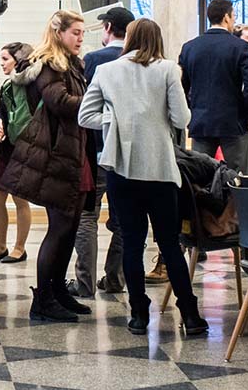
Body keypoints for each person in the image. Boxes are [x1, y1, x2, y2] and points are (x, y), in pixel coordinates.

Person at [79, 18, 207, 336]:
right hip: (161, 170)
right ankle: (189, 314)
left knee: (133, 244)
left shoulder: (107, 70)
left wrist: (116, 119)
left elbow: (85, 115)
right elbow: (181, 118)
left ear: (129, 38)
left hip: (122, 170)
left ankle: (138, 313)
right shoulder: (167, 70)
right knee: (170, 244)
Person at [0, 10, 90, 323]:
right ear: (59, 32)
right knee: (59, 228)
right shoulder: (51, 63)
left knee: (70, 227)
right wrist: (97, 99)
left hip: (73, 151)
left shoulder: (73, 63)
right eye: (75, 32)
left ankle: (59, 292)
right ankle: (43, 300)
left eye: (82, 33)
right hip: (56, 153)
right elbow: (59, 102)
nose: (80, 38)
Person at [72, 6, 134, 297]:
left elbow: (86, 107)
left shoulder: (95, 59)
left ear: (108, 27)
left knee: (87, 216)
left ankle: (84, 283)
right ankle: (114, 279)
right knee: (124, 220)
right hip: (128, 155)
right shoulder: (141, 61)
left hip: (94, 148)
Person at [178, 0, 248, 175]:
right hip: (233, 121)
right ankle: (235, 205)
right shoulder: (240, 47)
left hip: (201, 121)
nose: (234, 21)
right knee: (238, 177)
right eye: (234, 16)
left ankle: (205, 204)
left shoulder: (189, 47)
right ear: (226, 17)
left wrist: (191, 112)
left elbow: (182, 87)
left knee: (200, 175)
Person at [0, 42, 33, 266]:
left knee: (20, 198)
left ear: (18, 60)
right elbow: (2, 109)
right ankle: (1, 246)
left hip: (24, 148)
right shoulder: (5, 85)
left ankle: (19, 247)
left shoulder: (31, 85)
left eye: (5, 59)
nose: (1, 64)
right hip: (6, 147)